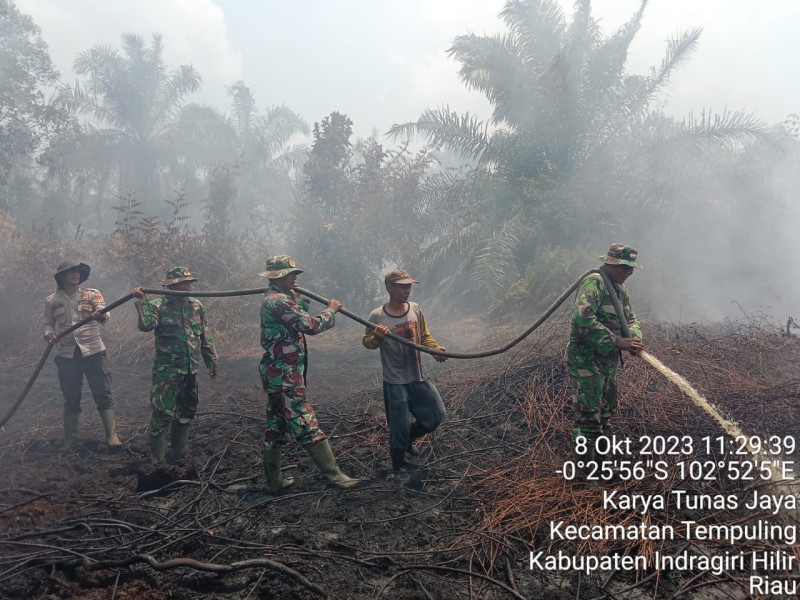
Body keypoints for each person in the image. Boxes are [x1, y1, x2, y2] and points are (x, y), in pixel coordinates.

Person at [259, 255, 358, 490]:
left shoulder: (277, 299)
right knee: (305, 420)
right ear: (279, 277)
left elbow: (294, 322)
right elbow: (309, 326)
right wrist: (331, 311)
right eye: (291, 274)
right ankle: (334, 475)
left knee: (275, 426)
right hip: (285, 376)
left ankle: (274, 481)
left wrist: (297, 298)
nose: (295, 278)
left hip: (276, 373)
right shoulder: (279, 301)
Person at [565, 243, 645, 479]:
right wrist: (616, 341)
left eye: (631, 269)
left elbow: (631, 318)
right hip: (586, 360)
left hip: (608, 361)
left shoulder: (619, 289)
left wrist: (634, 338)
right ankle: (586, 473)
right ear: (610, 263)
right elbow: (582, 318)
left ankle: (603, 466)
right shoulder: (595, 282)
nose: (628, 273)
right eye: (624, 267)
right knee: (588, 416)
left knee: (606, 413)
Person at [362, 269, 447, 481]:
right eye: (402, 286)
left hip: (417, 374)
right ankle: (398, 464)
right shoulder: (377, 316)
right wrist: (378, 338)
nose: (407, 290)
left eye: (409, 286)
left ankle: (408, 438)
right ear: (389, 287)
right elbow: (367, 343)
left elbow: (424, 336)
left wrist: (435, 350)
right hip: (395, 381)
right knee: (398, 423)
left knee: (436, 414)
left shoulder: (415, 309)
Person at [131, 267, 218, 464]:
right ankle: (158, 461)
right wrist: (142, 301)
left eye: (188, 282)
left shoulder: (196, 305)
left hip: (190, 370)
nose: (186, 286)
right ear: (171, 285)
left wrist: (211, 359)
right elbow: (146, 325)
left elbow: (205, 334)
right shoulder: (157, 305)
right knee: (162, 414)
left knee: (186, 413)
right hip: (167, 372)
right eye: (182, 283)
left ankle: (180, 456)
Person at [43, 259, 122, 452]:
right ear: (61, 277)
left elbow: (105, 315)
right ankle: (70, 439)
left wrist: (100, 314)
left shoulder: (92, 294)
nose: (75, 274)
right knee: (71, 397)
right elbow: (47, 324)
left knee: (103, 392)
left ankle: (111, 435)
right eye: (70, 272)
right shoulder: (52, 300)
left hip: (93, 351)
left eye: (77, 272)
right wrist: (48, 334)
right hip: (66, 355)